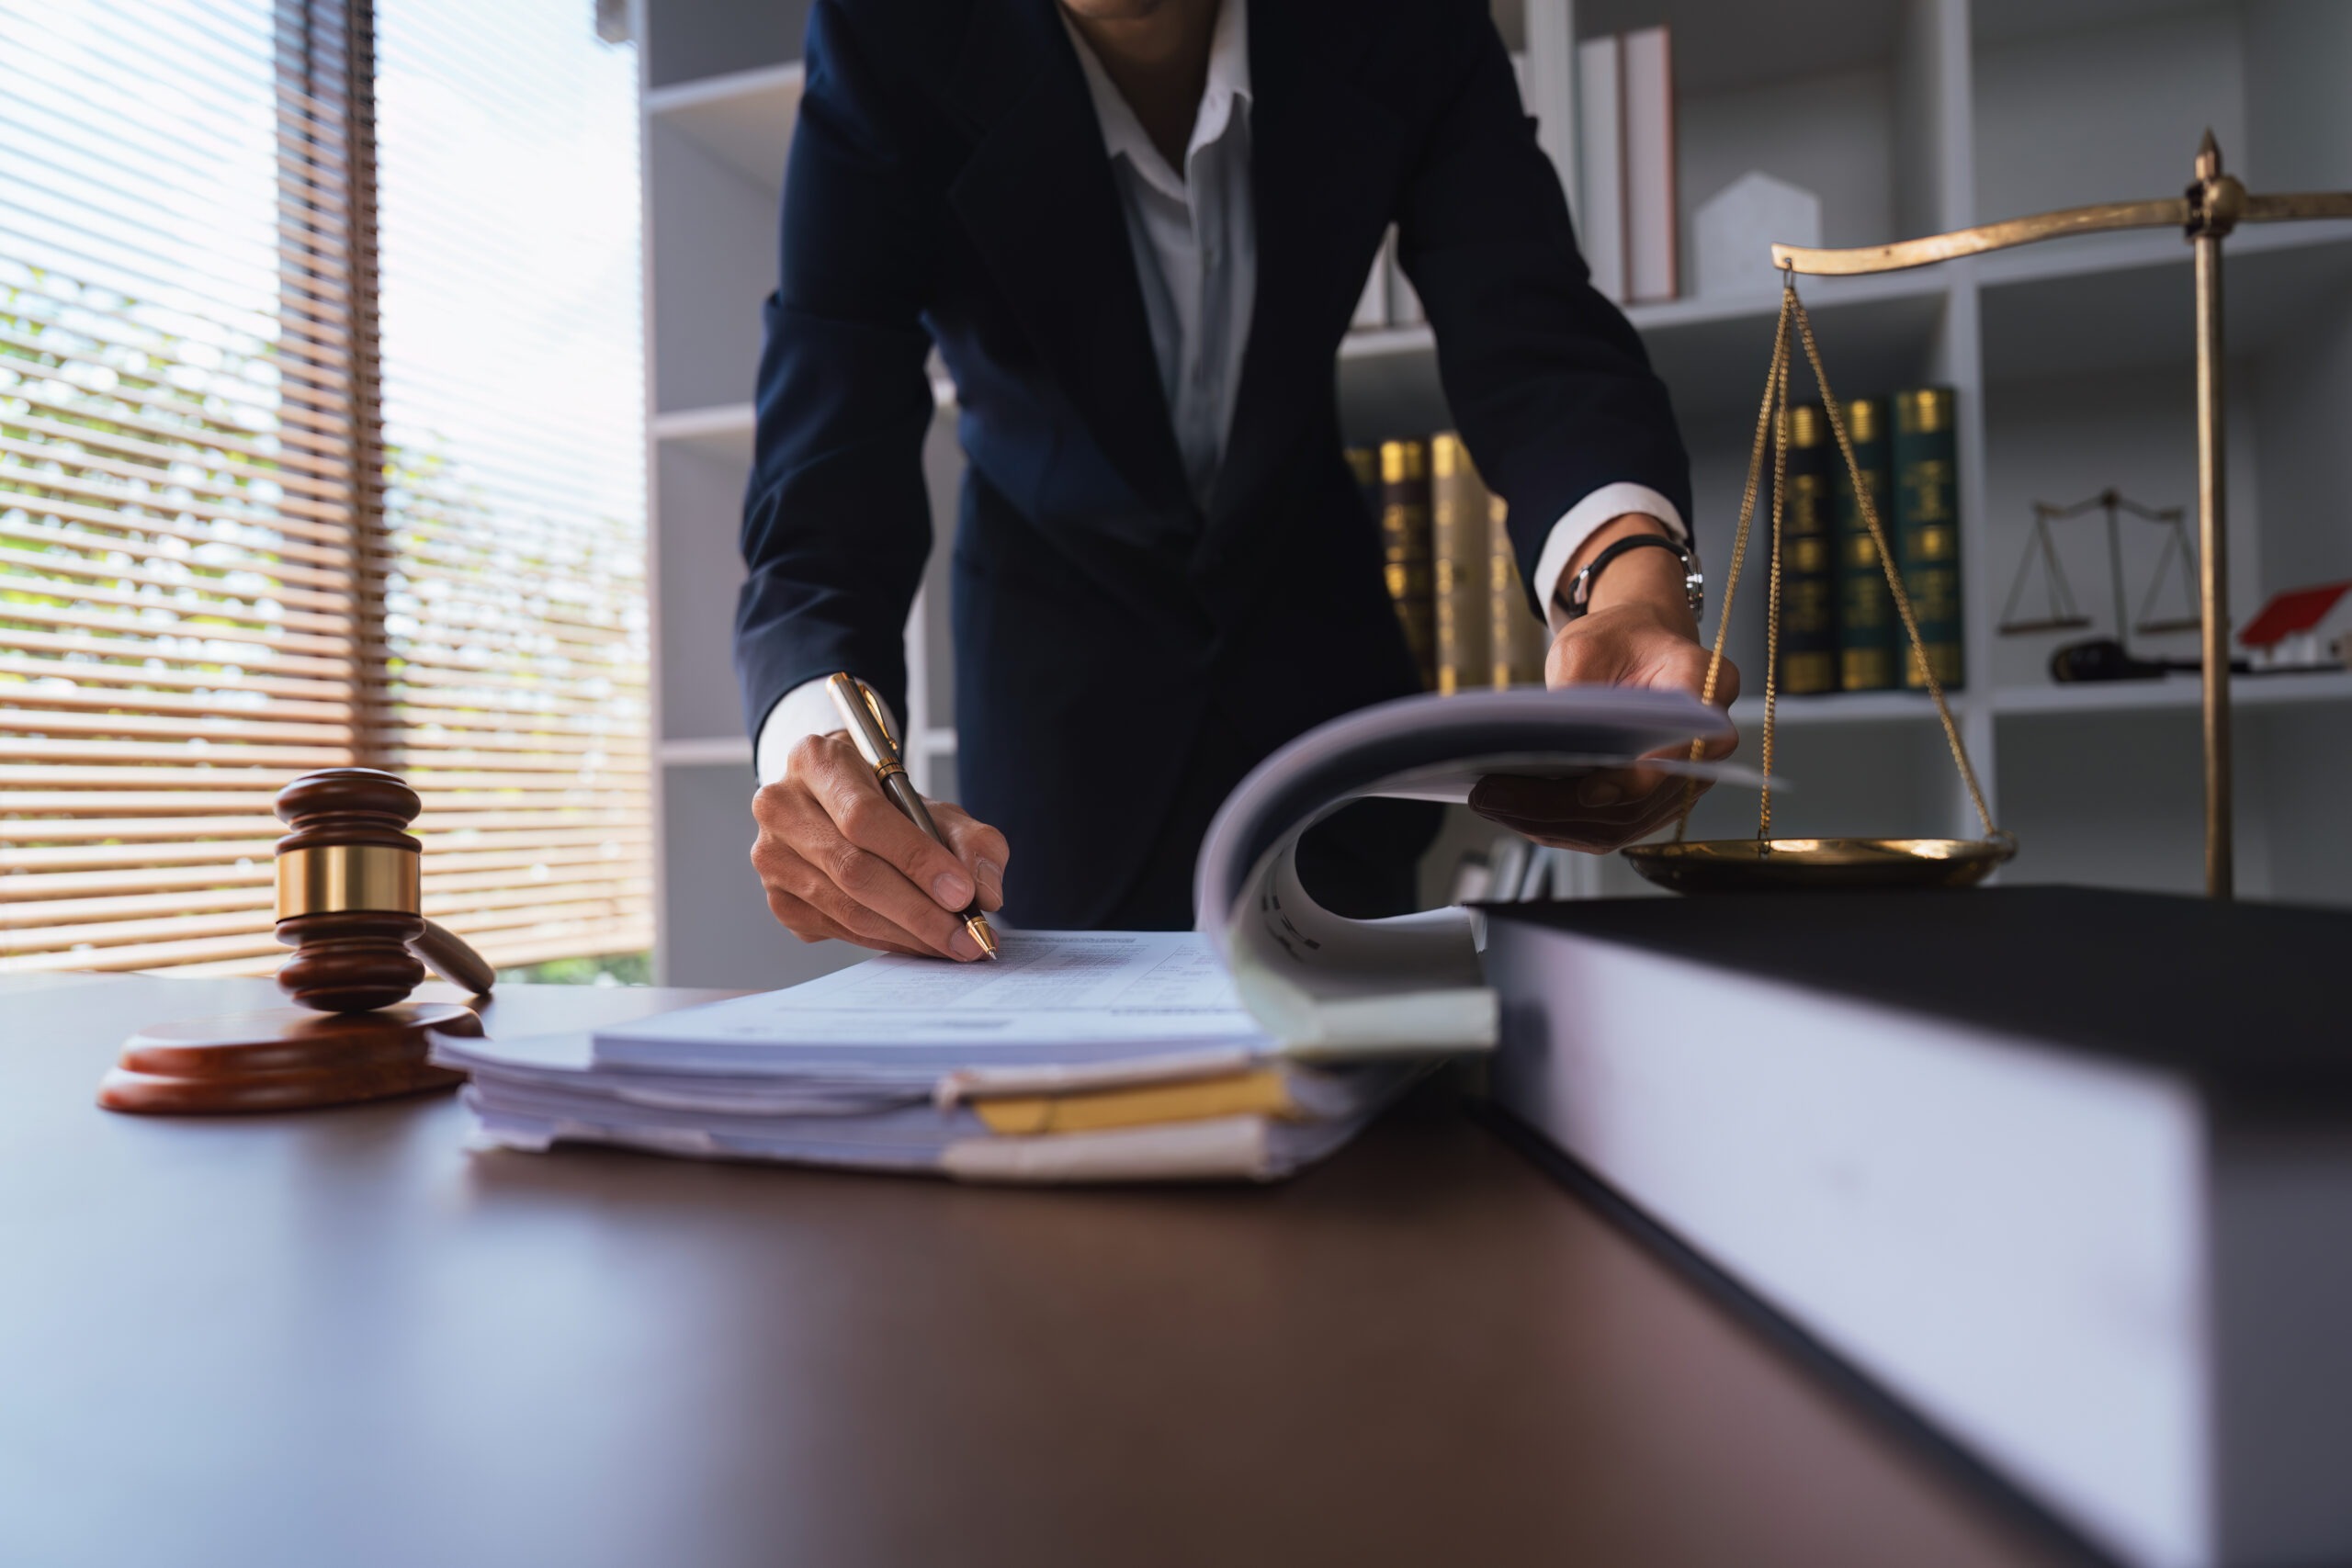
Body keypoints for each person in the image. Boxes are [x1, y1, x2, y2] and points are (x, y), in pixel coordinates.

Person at [738, 0, 1738, 963]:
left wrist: (1628, 580)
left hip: (1322, 702)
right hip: (1060, 724)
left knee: (1378, 1108)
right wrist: (822, 758)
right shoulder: (884, 29)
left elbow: (1532, 332)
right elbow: (828, 456)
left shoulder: (1403, 16)